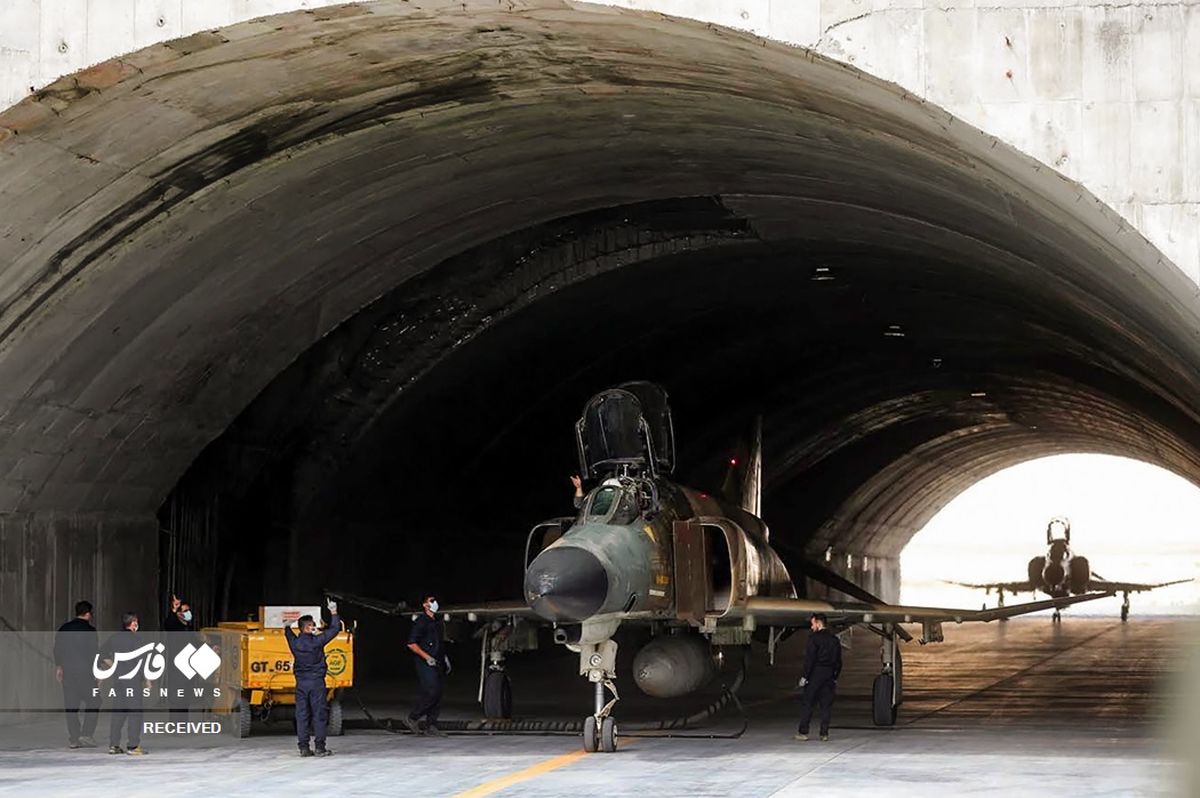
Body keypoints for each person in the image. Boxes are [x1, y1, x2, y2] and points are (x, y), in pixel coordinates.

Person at [283, 599, 342, 757]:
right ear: (309, 627)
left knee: (302, 715)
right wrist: (334, 612)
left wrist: (287, 625)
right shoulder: (317, 641)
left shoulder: (295, 643)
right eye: (312, 624)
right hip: (316, 683)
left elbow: (288, 633)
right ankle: (320, 747)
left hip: (301, 683)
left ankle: (303, 748)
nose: (314, 626)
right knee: (319, 715)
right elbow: (336, 628)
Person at [99, 612, 148, 755]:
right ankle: (133, 746)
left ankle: (114, 745)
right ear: (133, 623)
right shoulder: (137, 639)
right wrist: (148, 680)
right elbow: (142, 661)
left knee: (118, 713)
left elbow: (102, 653)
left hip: (119, 680)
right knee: (135, 713)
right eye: (136, 621)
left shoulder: (114, 638)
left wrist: (113, 666)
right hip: (133, 681)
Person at [53, 600, 99, 749]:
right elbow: (93, 653)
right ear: (88, 614)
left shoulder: (64, 628)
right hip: (85, 673)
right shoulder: (90, 631)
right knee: (95, 701)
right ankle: (86, 734)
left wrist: (59, 666)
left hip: (68, 672)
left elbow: (57, 649)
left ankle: (74, 738)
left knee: (71, 706)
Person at [404, 595, 451, 736]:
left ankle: (431, 725)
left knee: (438, 693)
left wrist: (444, 658)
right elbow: (411, 643)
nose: (435, 603)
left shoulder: (437, 622)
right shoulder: (421, 622)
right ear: (425, 605)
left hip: (437, 661)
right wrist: (427, 657)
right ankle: (413, 717)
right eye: (431, 601)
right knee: (432, 691)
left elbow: (439, 643)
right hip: (425, 662)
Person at [795, 613, 842, 742]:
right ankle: (824, 733)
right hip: (829, 675)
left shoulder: (813, 639)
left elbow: (810, 660)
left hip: (815, 674)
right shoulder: (834, 640)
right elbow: (838, 661)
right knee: (826, 706)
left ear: (819, 623)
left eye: (813, 623)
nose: (811, 626)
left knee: (808, 704)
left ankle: (803, 732)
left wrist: (805, 677)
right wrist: (835, 676)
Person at [164, 593, 198, 715]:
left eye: (188, 610)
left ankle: (183, 726)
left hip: (188, 668)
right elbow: (168, 624)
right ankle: (175, 725)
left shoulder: (189, 629)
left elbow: (197, 644)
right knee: (176, 697)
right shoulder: (174, 627)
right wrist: (173, 610)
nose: (187, 613)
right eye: (184, 611)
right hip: (176, 668)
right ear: (178, 613)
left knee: (186, 697)